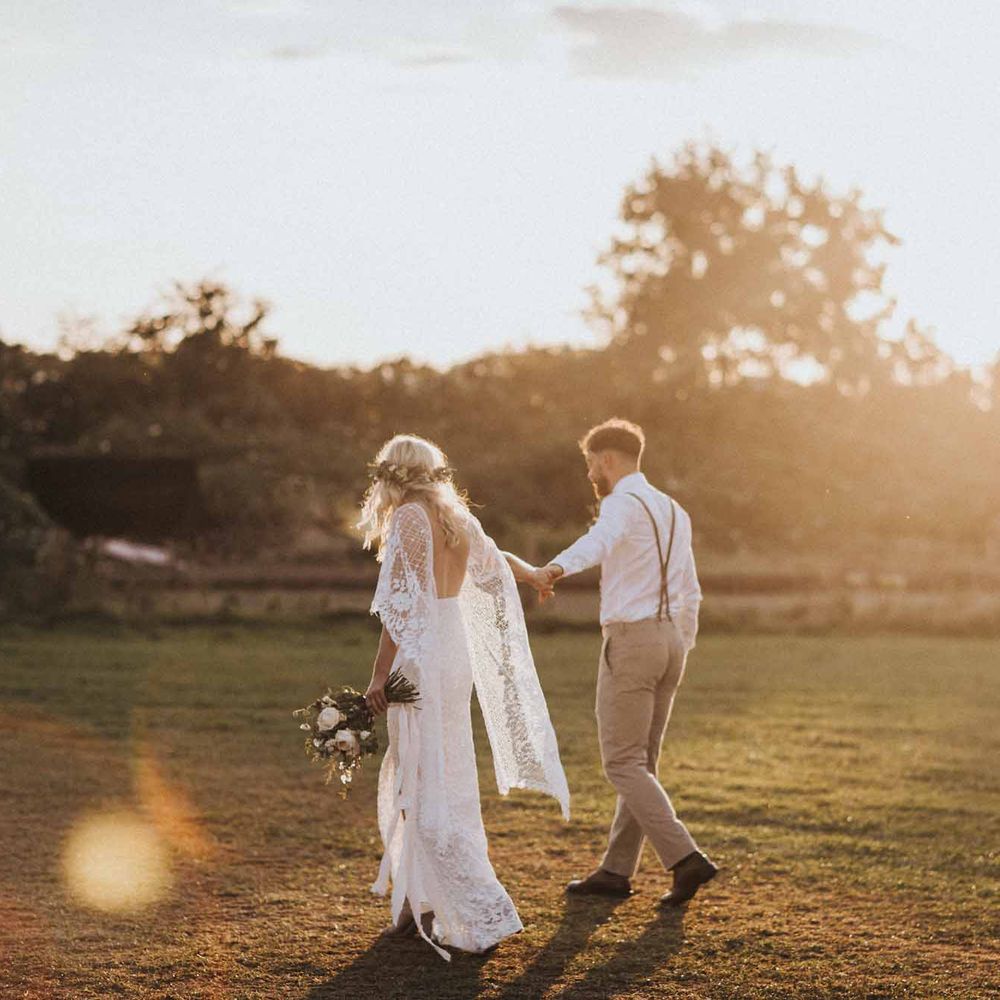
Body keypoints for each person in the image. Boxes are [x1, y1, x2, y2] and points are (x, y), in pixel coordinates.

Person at [358, 434, 570, 960]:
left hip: (425, 651)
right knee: (440, 769)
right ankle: (416, 904)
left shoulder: (410, 517)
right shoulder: (453, 514)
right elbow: (496, 561)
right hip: (453, 650)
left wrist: (379, 676)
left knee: (422, 778)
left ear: (393, 474)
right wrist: (534, 574)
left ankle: (480, 905)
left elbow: (403, 605)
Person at [539, 418, 717, 907]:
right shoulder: (674, 509)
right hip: (671, 641)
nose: (590, 473)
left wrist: (554, 568)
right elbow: (691, 589)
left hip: (634, 641)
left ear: (608, 460)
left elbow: (597, 543)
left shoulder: (619, 503)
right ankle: (616, 871)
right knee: (642, 763)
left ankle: (685, 857)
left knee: (622, 762)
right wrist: (680, 643)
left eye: (590, 464)